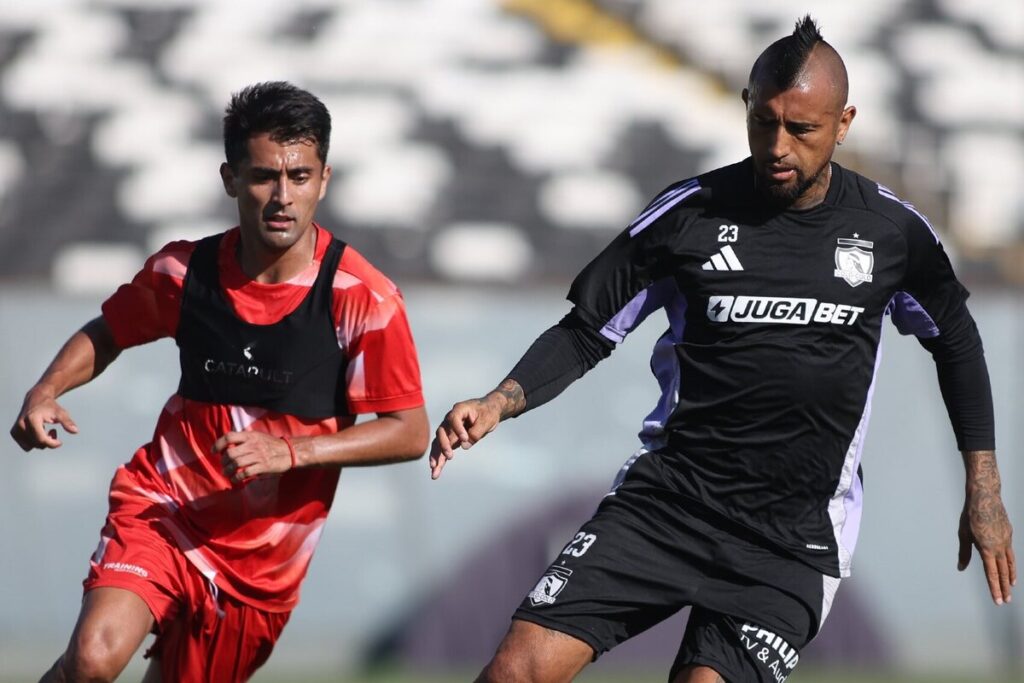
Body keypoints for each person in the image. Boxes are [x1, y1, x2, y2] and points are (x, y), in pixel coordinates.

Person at [430, 16, 1015, 683]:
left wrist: (985, 491)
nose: (778, 146)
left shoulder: (891, 232)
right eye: (764, 122)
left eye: (802, 129)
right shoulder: (689, 214)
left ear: (843, 123)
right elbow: (589, 327)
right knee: (515, 670)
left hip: (791, 536)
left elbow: (958, 342)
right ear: (746, 106)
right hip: (669, 504)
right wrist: (499, 400)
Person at [10, 81, 429, 682]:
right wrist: (46, 389)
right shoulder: (184, 271)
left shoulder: (364, 298)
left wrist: (290, 452)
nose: (282, 197)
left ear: (325, 179)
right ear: (230, 178)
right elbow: (108, 331)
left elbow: (408, 432)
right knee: (92, 659)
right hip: (165, 509)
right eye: (263, 177)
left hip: (259, 572)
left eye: (300, 176)